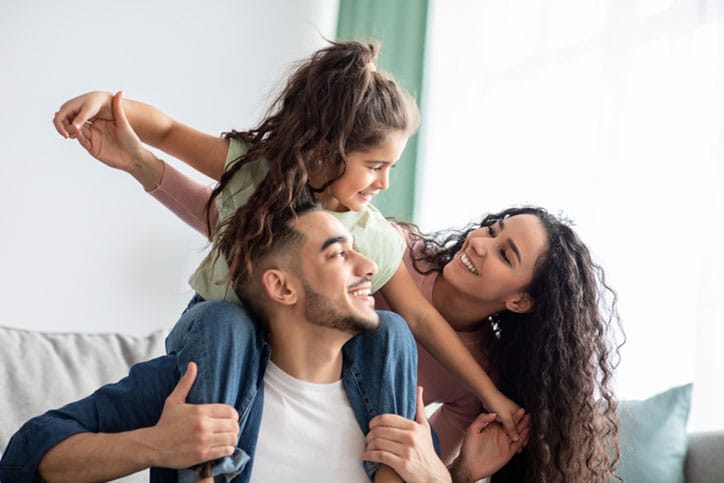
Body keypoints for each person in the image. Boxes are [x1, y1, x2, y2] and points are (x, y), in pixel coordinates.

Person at [52, 40, 525, 477]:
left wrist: (492, 396)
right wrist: (106, 104)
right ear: (326, 151)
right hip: (217, 337)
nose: (383, 183)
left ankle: (390, 470)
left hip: (304, 354)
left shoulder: (372, 235)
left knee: (393, 329)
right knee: (225, 322)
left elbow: (419, 318)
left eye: (392, 168)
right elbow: (171, 131)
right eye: (375, 166)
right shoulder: (258, 172)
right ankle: (211, 470)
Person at [0, 205, 424, 482]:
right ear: (282, 287)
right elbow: (27, 453)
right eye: (338, 254)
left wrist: (449, 474)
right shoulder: (197, 384)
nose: (368, 266)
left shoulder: (384, 397)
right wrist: (157, 445)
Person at [365, 207, 623, 481]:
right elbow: (418, 318)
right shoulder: (395, 248)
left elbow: (419, 466)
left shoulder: (483, 371)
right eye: (491, 230)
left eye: (504, 254)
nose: (478, 243)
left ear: (520, 301)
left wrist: (465, 470)